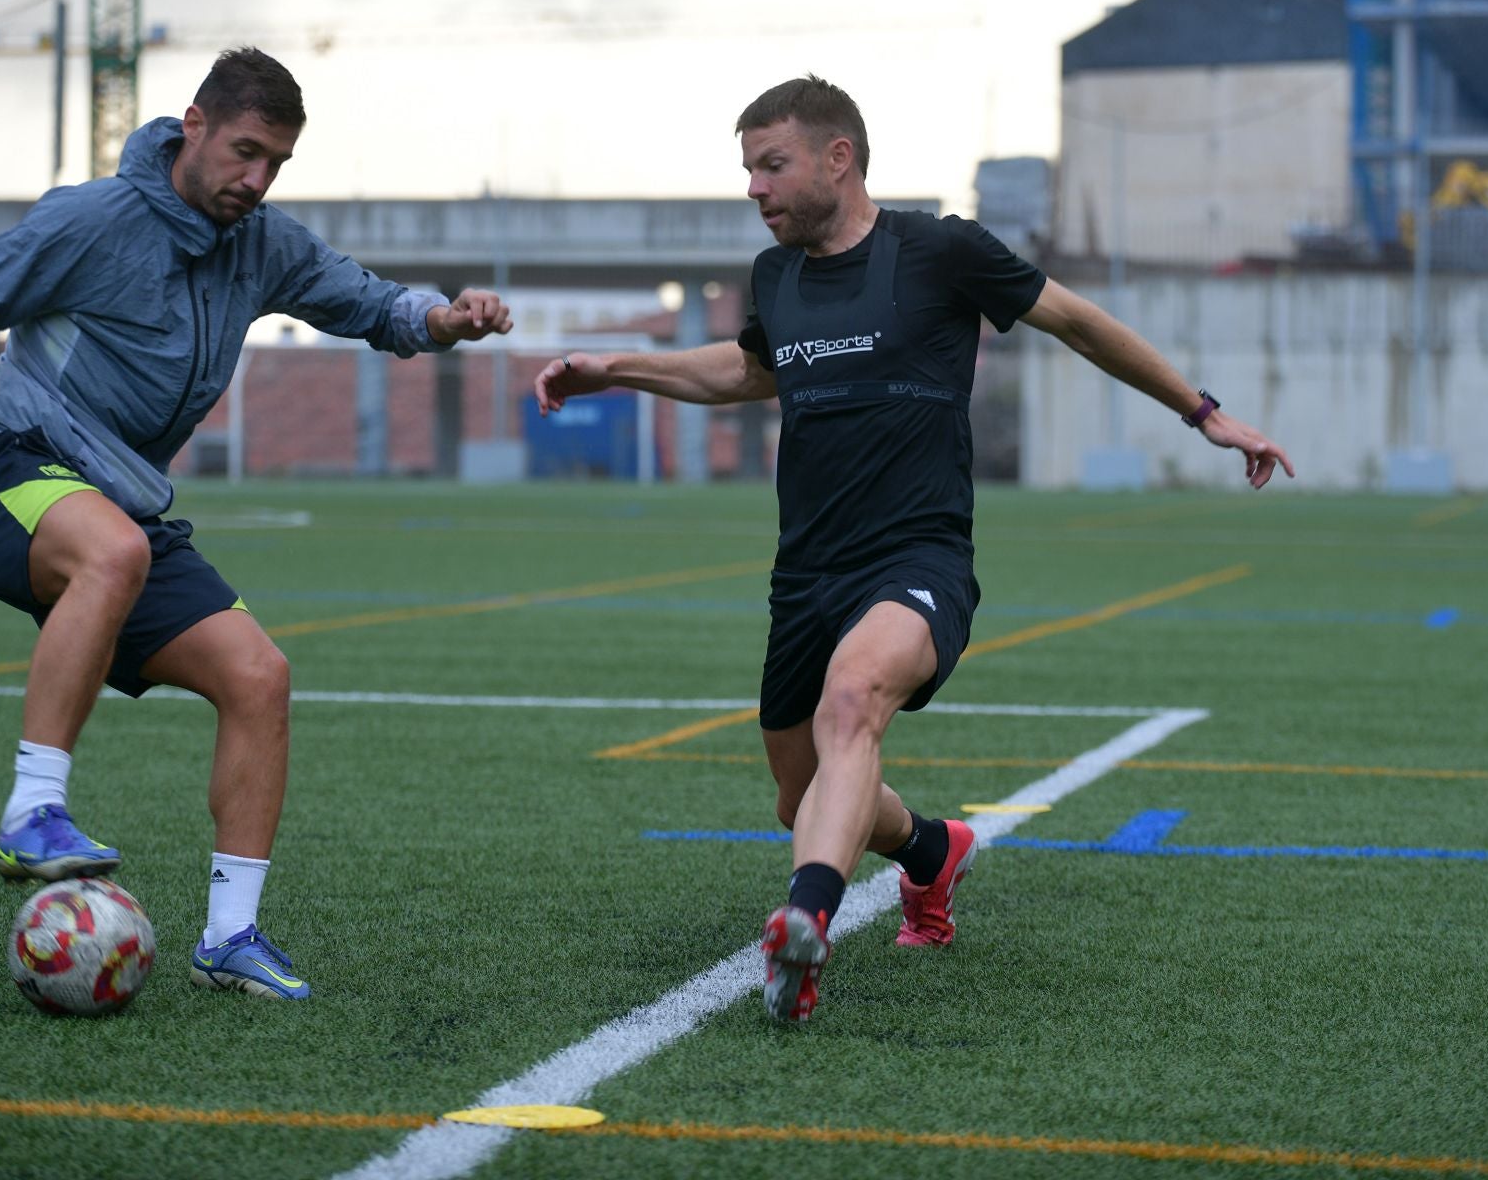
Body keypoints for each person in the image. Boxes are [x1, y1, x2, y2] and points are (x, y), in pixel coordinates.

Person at [534, 75, 1291, 1023]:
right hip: (806, 572)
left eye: (772, 166)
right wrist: (615, 368)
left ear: (838, 157)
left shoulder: (940, 250)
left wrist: (1203, 413)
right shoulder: (775, 276)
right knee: (802, 797)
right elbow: (750, 372)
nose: (755, 188)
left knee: (853, 701)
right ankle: (933, 852)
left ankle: (807, 921)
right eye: (749, 170)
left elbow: (1079, 323)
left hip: (918, 559)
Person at [0, 47, 513, 1001]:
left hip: (121, 506)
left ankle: (229, 939)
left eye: (276, 162)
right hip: (9, 468)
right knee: (111, 551)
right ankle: (33, 813)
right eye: (244, 152)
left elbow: (369, 303)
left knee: (259, 676)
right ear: (193, 126)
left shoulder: (262, 243)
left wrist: (447, 318)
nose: (257, 179)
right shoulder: (93, 218)